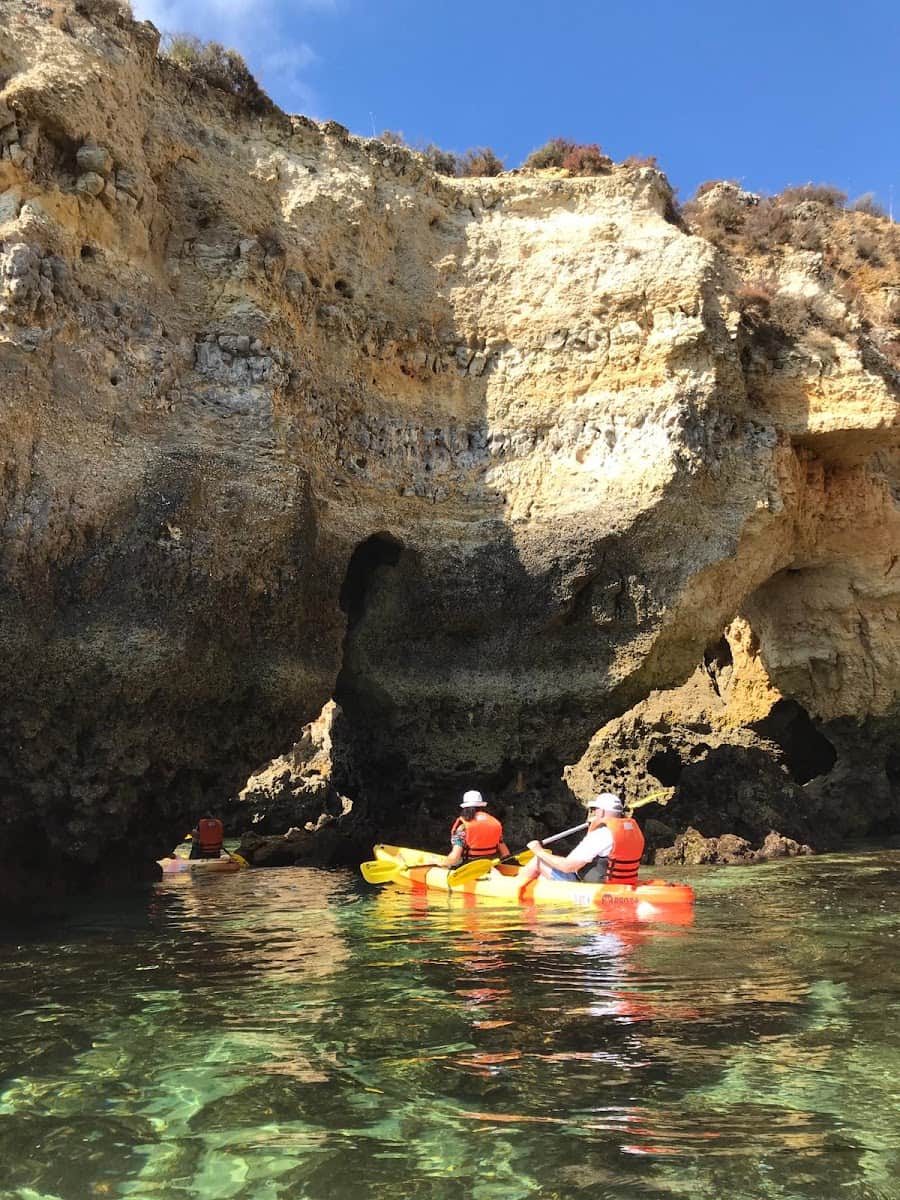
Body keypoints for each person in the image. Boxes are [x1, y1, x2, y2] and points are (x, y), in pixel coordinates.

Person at [519, 793, 645, 885]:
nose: (594, 813)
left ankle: (513, 889)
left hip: (596, 889)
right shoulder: (634, 832)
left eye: (595, 810)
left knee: (538, 861)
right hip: (623, 884)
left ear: (601, 813)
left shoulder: (601, 835)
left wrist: (538, 850)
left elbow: (567, 866)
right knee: (543, 878)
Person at [443, 790, 510, 869]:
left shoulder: (463, 827)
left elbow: (455, 857)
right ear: (481, 806)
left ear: (465, 808)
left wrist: (442, 864)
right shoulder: (494, 823)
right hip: (490, 866)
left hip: (470, 868)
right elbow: (506, 854)